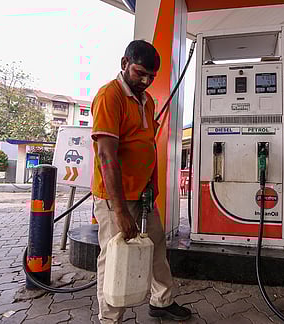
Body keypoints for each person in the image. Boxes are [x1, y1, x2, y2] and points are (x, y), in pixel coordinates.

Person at [90, 40, 191, 323]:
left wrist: (151, 187)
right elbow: (106, 156)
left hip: (142, 194)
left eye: (151, 76)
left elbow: (145, 145)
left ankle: (161, 301)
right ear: (124, 64)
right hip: (117, 198)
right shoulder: (110, 96)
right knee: (114, 257)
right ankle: (110, 319)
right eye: (139, 73)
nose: (145, 81)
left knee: (156, 247)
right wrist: (119, 211)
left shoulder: (146, 102)